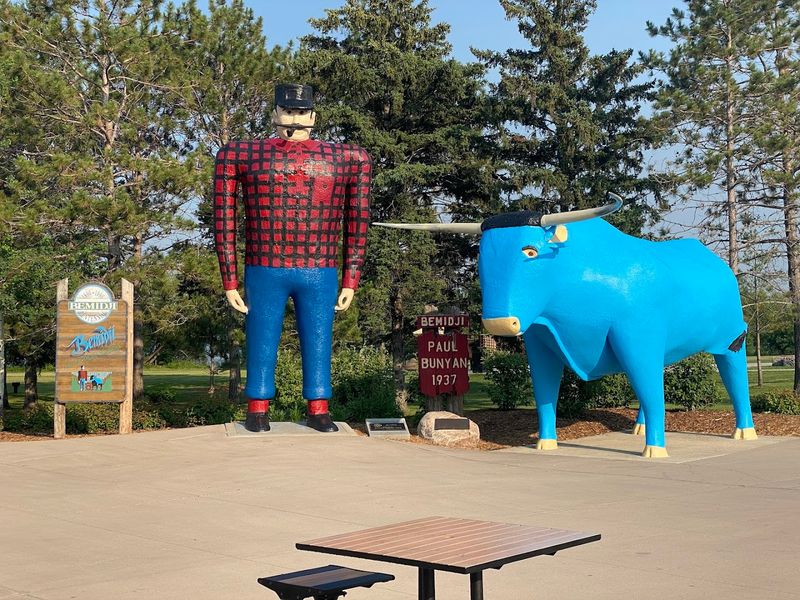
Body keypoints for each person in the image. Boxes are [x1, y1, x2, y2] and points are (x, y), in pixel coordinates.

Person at [213, 83, 372, 432]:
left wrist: (351, 277)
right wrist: (230, 279)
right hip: (265, 263)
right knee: (261, 332)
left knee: (318, 336)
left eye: (301, 113)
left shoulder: (348, 159)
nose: (295, 120)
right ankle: (257, 406)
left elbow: (358, 219)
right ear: (274, 114)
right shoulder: (240, 155)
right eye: (288, 112)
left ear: (313, 116)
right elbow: (223, 216)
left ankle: (318, 406)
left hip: (320, 266)